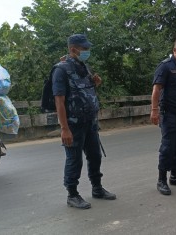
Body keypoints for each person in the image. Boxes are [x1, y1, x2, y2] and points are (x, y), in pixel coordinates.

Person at [53, 34, 116, 209]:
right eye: (84, 49)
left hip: (90, 122)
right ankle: (72, 195)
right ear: (73, 49)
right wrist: (64, 128)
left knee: (95, 156)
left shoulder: (84, 67)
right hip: (73, 125)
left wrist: (96, 82)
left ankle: (97, 188)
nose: (87, 52)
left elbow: (84, 91)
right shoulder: (60, 70)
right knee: (74, 160)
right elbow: (59, 100)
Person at [150, 38, 176, 196]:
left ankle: (175, 175)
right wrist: (154, 110)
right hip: (169, 113)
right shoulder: (165, 66)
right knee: (168, 146)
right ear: (175, 50)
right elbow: (156, 89)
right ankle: (162, 179)